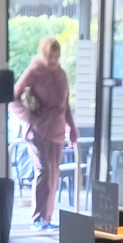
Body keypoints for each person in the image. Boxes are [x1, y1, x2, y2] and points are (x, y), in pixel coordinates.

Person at [12, 36, 77, 229]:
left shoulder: (62, 74)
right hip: (37, 131)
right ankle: (37, 218)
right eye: (50, 56)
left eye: (56, 56)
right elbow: (13, 99)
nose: (53, 60)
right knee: (44, 171)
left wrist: (72, 129)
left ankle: (47, 218)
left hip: (56, 132)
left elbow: (65, 105)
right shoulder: (34, 71)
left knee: (53, 174)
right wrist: (30, 118)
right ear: (43, 54)